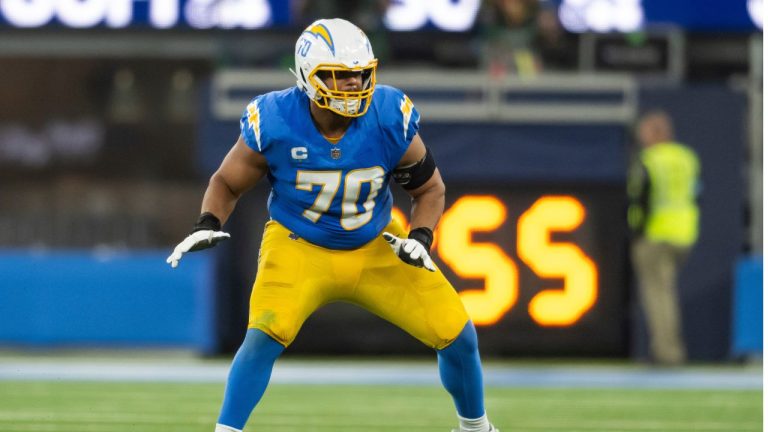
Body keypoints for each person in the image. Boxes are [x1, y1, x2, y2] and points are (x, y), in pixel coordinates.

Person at [167, 18, 499, 432]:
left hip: (376, 244)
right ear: (309, 76)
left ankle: (476, 429)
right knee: (262, 338)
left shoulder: (387, 115)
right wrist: (207, 220)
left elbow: (430, 189)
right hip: (298, 245)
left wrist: (421, 237)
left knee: (458, 334)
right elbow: (226, 182)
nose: (354, 86)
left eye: (361, 75)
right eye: (340, 77)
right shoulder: (275, 118)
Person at [627, 110, 701, 366]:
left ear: (657, 133)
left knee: (657, 296)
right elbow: (696, 195)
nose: (641, 137)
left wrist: (636, 232)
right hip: (684, 234)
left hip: (655, 235)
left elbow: (640, 199)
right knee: (666, 292)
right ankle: (669, 349)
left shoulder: (650, 159)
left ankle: (667, 352)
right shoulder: (687, 158)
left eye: (645, 131)